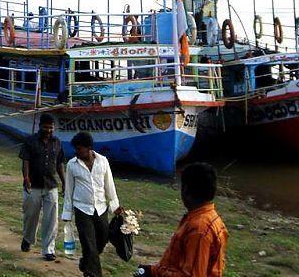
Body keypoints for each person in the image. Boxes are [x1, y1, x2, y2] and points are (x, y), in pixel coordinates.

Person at [135, 162, 228, 277]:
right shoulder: (211, 218)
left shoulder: (199, 229)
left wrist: (154, 273)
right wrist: (152, 271)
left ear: (185, 190)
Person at [62, 131, 123, 277]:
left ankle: (86, 262)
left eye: (79, 149)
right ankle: (93, 273)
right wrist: (67, 213)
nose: (76, 152)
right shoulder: (72, 165)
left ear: (89, 147)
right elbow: (69, 190)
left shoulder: (103, 161)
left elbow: (109, 185)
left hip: (101, 208)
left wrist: (115, 206)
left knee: (103, 238)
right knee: (88, 243)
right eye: (76, 149)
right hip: (82, 209)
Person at [19, 113, 65, 261]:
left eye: (51, 128)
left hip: (51, 185)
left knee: (51, 219)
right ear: (40, 126)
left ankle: (48, 250)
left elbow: (59, 163)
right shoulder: (30, 141)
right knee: (31, 216)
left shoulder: (57, 142)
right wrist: (26, 178)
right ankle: (28, 238)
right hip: (33, 185)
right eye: (46, 127)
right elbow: (25, 160)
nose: (49, 130)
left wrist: (64, 182)